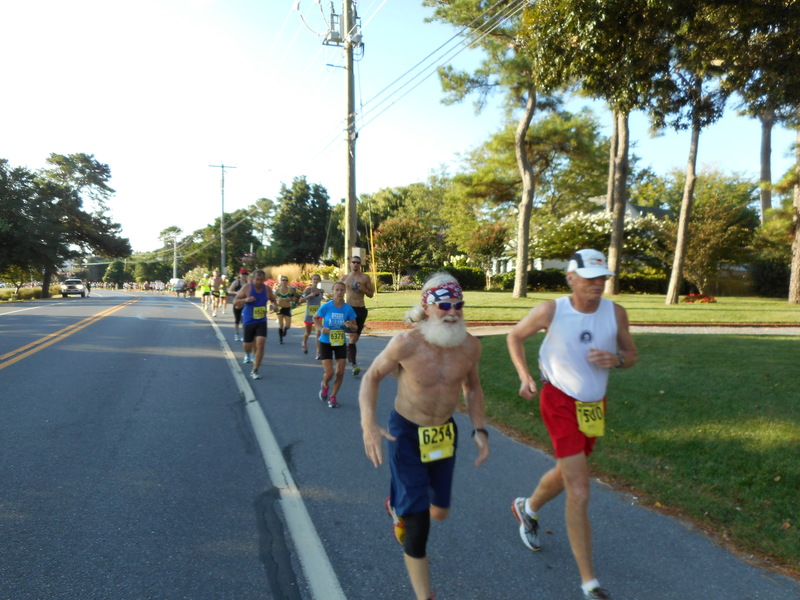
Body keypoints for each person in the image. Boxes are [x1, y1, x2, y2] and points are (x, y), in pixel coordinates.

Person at [506, 249, 638, 600]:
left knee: (568, 474)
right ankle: (589, 583)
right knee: (579, 488)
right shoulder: (552, 310)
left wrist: (617, 359)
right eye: (590, 278)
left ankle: (527, 508)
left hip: (594, 407)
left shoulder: (616, 313)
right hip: (559, 400)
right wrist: (525, 376)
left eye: (602, 278)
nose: (597, 284)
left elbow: (632, 355)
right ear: (571, 278)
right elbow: (514, 336)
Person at [359, 273, 489, 600]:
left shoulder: (470, 346)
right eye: (444, 304)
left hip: (444, 432)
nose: (453, 312)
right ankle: (424, 595)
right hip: (406, 432)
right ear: (427, 306)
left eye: (459, 305)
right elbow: (372, 376)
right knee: (418, 528)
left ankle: (398, 502)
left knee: (439, 511)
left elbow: (472, 388)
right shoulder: (406, 343)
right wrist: (368, 424)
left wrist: (480, 428)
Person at [315, 281, 358, 408]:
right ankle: (325, 384)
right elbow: (315, 318)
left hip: (340, 342)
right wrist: (321, 329)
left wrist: (350, 325)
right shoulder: (326, 306)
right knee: (330, 373)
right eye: (337, 290)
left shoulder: (348, 309)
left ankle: (333, 397)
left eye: (342, 290)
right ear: (333, 291)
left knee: (340, 372)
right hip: (325, 342)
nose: (339, 292)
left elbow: (355, 327)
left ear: (345, 292)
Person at [233, 269, 278, 380]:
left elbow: (273, 300)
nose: (259, 282)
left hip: (261, 320)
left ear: (264, 280)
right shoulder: (247, 288)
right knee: (247, 346)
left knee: (261, 344)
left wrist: (275, 306)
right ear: (253, 279)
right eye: (257, 279)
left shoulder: (267, 289)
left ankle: (255, 370)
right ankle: (248, 353)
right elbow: (235, 301)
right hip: (248, 320)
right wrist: (246, 299)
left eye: (261, 280)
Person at [341, 255, 374, 376]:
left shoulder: (365, 277)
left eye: (358, 263)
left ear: (360, 265)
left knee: (355, 338)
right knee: (353, 337)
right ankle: (354, 365)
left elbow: (371, 294)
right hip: (350, 309)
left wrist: (363, 289)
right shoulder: (345, 278)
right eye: (354, 262)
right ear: (350, 263)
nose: (355, 264)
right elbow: (338, 292)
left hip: (361, 309)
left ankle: (348, 350)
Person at [296, 273, 324, 356]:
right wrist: (310, 295)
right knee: (308, 332)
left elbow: (320, 300)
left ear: (319, 280)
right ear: (312, 280)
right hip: (309, 315)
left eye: (317, 279)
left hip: (318, 315)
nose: (315, 280)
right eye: (314, 279)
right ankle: (304, 342)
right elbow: (300, 300)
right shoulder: (308, 290)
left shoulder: (321, 291)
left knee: (318, 333)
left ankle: (318, 352)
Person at [274, 275, 300, 345]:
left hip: (287, 308)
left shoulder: (290, 290)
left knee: (288, 325)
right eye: (283, 280)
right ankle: (280, 339)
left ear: (288, 281)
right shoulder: (278, 290)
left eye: (286, 280)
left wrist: (291, 299)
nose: (285, 281)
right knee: (280, 324)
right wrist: (277, 299)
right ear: (281, 281)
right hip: (280, 308)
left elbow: (295, 298)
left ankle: (285, 330)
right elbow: (273, 299)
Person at [228, 269, 249, 341]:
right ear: (240, 275)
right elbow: (229, 291)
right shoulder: (236, 282)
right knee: (237, 319)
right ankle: (236, 334)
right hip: (237, 303)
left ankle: (244, 335)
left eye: (245, 274)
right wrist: (236, 293)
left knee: (244, 320)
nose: (244, 275)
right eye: (242, 274)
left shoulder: (248, 283)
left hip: (246, 304)